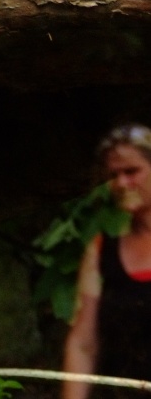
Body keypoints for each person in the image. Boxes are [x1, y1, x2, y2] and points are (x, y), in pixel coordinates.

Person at [63, 124, 151, 399]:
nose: (122, 184)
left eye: (131, 172)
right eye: (114, 175)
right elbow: (83, 344)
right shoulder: (101, 251)